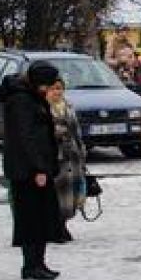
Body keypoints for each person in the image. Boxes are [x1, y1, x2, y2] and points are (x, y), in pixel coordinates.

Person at [0, 62, 68, 280]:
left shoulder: (31, 96)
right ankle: (31, 265)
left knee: (41, 216)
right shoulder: (21, 100)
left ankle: (39, 262)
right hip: (27, 170)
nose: (49, 89)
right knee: (31, 218)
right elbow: (25, 137)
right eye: (48, 84)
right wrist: (38, 168)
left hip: (37, 166)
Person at [50, 80, 85, 241]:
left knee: (72, 194)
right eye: (53, 89)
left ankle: (63, 223)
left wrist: (81, 151)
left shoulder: (68, 107)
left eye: (59, 88)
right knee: (58, 193)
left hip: (73, 156)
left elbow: (77, 131)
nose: (56, 92)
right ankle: (57, 226)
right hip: (56, 157)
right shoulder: (44, 109)